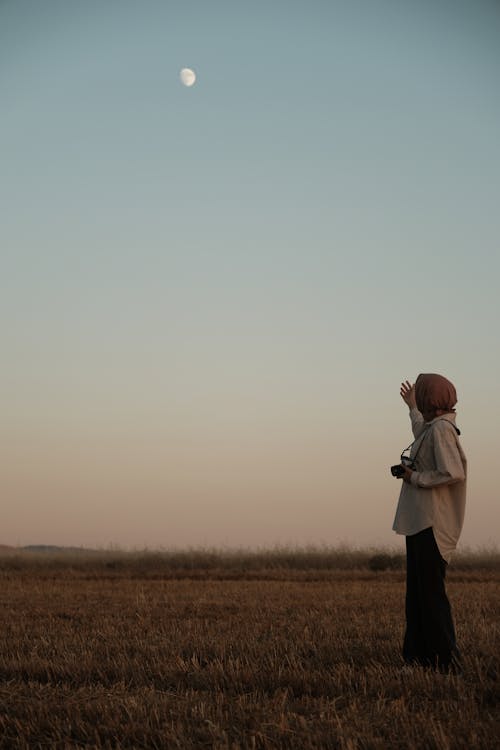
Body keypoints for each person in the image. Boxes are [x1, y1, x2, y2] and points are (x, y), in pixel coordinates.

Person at [392, 373, 467, 673]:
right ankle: (418, 660)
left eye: (421, 396)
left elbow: (453, 472)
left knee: (430, 597)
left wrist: (415, 478)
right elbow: (421, 432)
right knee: (419, 596)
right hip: (422, 522)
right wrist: (411, 407)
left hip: (431, 525)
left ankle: (446, 663)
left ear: (430, 399)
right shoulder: (436, 427)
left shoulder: (442, 431)